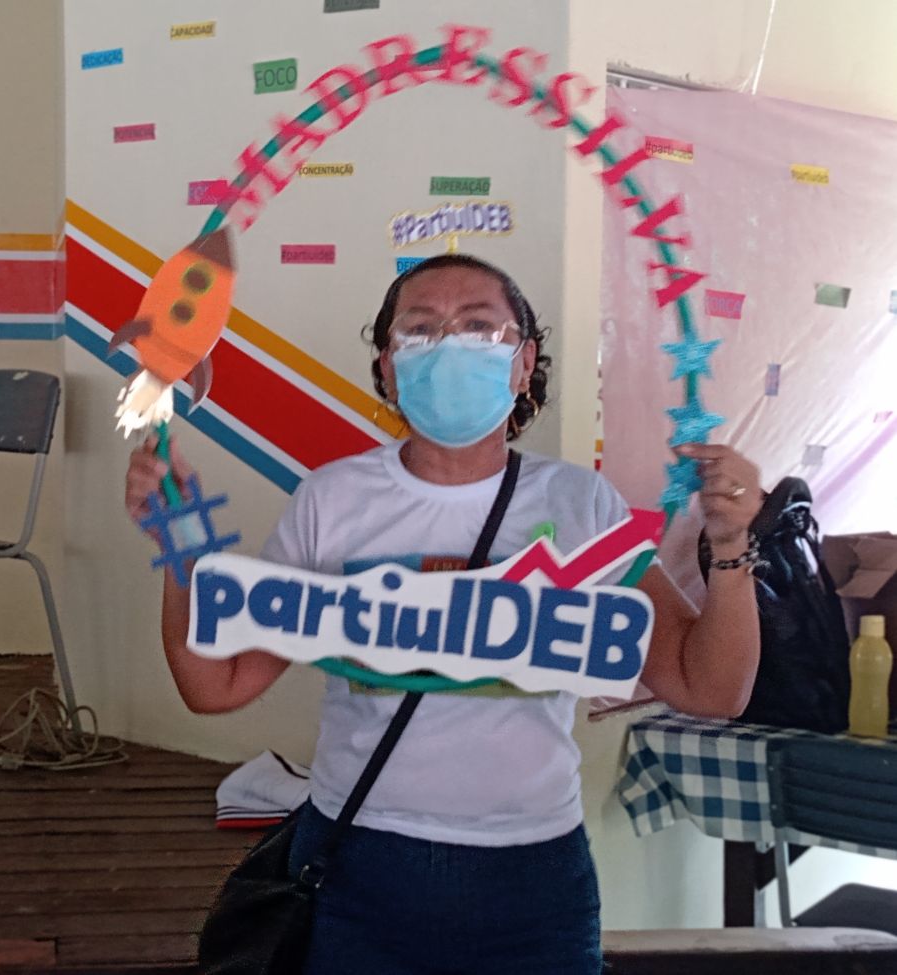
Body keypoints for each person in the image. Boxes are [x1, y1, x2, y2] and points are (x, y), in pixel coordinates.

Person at [124, 254, 762, 974]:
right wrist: (178, 546)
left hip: (534, 881)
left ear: (525, 362)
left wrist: (731, 546)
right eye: (420, 330)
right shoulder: (332, 501)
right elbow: (216, 685)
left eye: (479, 327)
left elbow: (710, 687)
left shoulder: (582, 506)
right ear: (388, 366)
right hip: (357, 862)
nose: (449, 345)